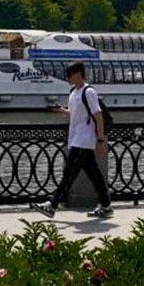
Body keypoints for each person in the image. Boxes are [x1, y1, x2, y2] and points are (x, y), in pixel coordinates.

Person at [31, 61, 113, 219]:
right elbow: (77, 113)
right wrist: (61, 110)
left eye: (69, 74)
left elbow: (98, 116)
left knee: (69, 173)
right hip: (76, 138)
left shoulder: (88, 92)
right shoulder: (74, 92)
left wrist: (101, 141)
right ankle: (106, 206)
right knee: (94, 174)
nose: (67, 77)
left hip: (84, 140)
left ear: (79, 74)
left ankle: (52, 205)